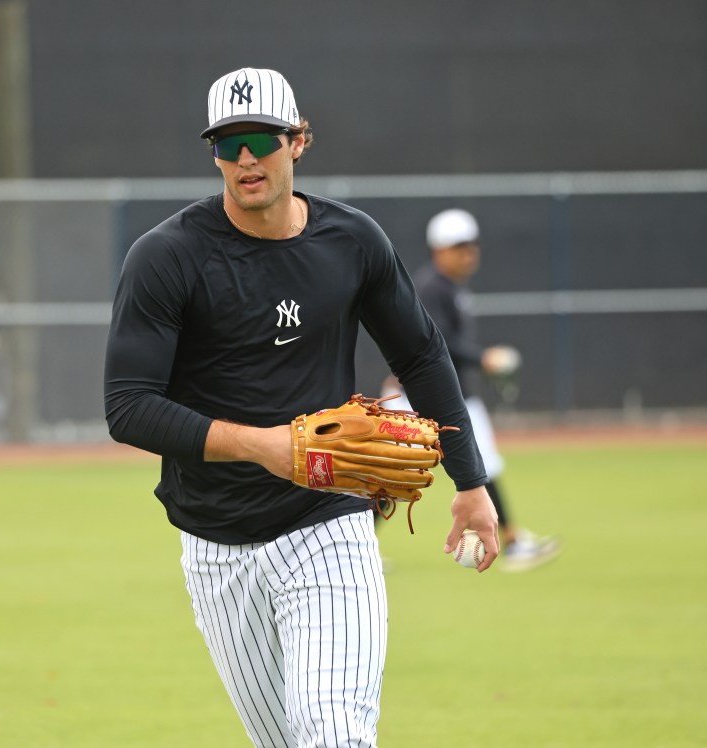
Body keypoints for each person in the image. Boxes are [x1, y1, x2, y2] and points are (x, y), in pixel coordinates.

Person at [103, 67, 499, 748]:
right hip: (215, 542)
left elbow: (423, 356)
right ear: (214, 154)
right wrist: (263, 445)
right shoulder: (168, 257)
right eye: (229, 143)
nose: (246, 157)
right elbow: (128, 407)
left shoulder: (351, 242)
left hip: (329, 521)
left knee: (332, 733)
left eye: (261, 137)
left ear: (299, 141)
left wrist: (470, 483)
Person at [381, 208, 561, 572]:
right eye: (459, 246)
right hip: (426, 398)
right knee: (388, 474)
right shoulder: (432, 288)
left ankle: (511, 539)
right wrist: (484, 358)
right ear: (439, 249)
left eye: (471, 245)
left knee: (476, 467)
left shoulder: (450, 287)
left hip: (450, 395)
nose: (469, 252)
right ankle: (512, 541)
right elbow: (438, 344)